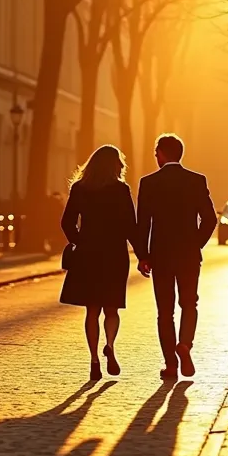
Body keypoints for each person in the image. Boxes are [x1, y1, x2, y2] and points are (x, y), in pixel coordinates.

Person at [134, 134, 217, 380]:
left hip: (161, 255)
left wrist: (143, 255)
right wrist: (195, 244)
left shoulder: (149, 183)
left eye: (156, 153)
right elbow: (210, 219)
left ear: (161, 153)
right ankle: (185, 344)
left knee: (165, 311)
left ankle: (171, 365)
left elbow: (143, 224)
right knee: (189, 303)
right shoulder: (196, 180)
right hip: (188, 255)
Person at [59, 145, 137, 381]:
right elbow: (130, 226)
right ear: (116, 165)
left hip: (88, 254)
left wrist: (78, 241)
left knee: (92, 310)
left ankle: (94, 359)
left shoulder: (80, 188)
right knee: (112, 308)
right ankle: (110, 345)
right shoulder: (121, 190)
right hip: (114, 254)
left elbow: (67, 222)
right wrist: (143, 254)